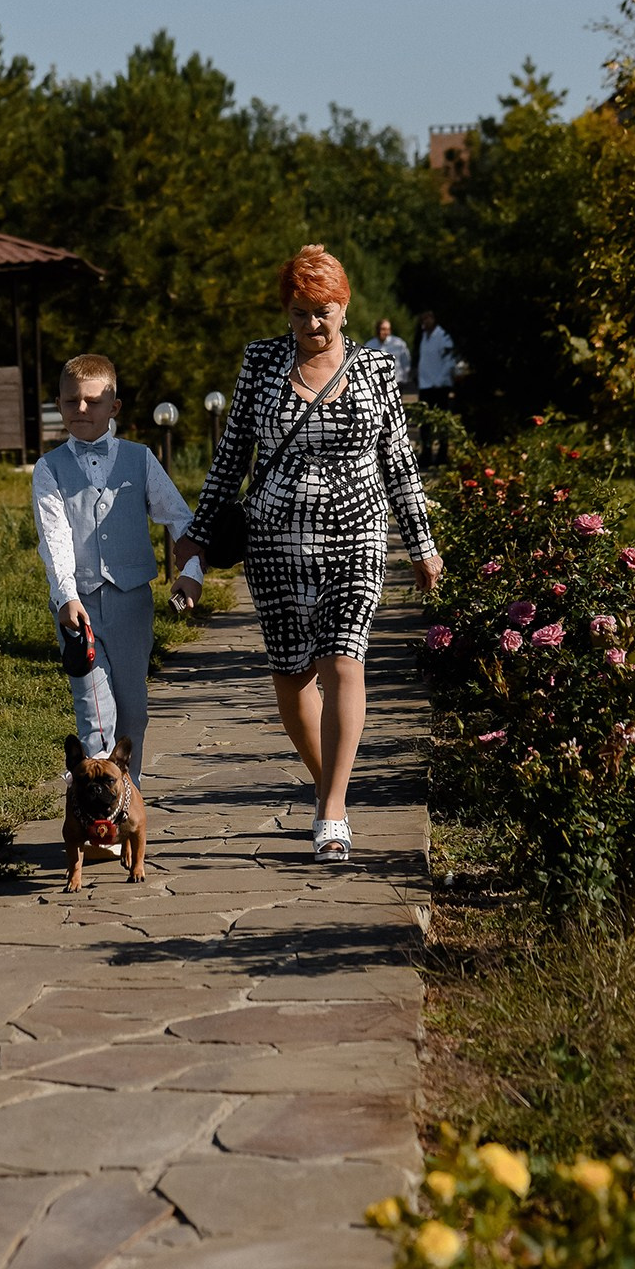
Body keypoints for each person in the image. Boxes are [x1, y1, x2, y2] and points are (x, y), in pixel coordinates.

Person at [176, 246, 442, 863]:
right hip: (274, 541)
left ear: (345, 308)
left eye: (322, 313)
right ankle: (332, 786)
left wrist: (422, 546)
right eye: (300, 314)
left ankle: (332, 811)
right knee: (293, 673)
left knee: (343, 659)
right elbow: (231, 455)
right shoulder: (263, 362)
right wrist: (197, 530)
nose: (311, 326)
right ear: (286, 313)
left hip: (358, 535)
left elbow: (399, 465)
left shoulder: (377, 369)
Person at [32, 353, 203, 797]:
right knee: (95, 711)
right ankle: (96, 808)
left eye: (92, 401)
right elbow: (55, 539)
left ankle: (129, 796)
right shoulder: (49, 469)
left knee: (133, 711)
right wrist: (66, 595)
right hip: (79, 607)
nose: (81, 410)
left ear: (115, 407)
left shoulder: (140, 459)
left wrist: (192, 571)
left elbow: (179, 518)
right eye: (71, 402)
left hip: (132, 603)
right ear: (58, 404)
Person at [415, 310, 456, 468]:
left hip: (440, 386)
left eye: (427, 319)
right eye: (422, 319)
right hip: (425, 385)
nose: (424, 322)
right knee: (425, 422)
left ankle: (442, 454)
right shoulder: (424, 337)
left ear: (433, 319)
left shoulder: (442, 336)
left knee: (442, 421)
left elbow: (449, 361)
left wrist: (439, 380)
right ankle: (426, 453)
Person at [363, 317, 411, 388]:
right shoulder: (370, 345)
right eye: (382, 329)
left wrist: (404, 379)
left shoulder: (398, 343)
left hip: (396, 382)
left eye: (386, 329)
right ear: (377, 330)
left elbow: (405, 362)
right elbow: (365, 364)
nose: (383, 332)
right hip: (377, 384)